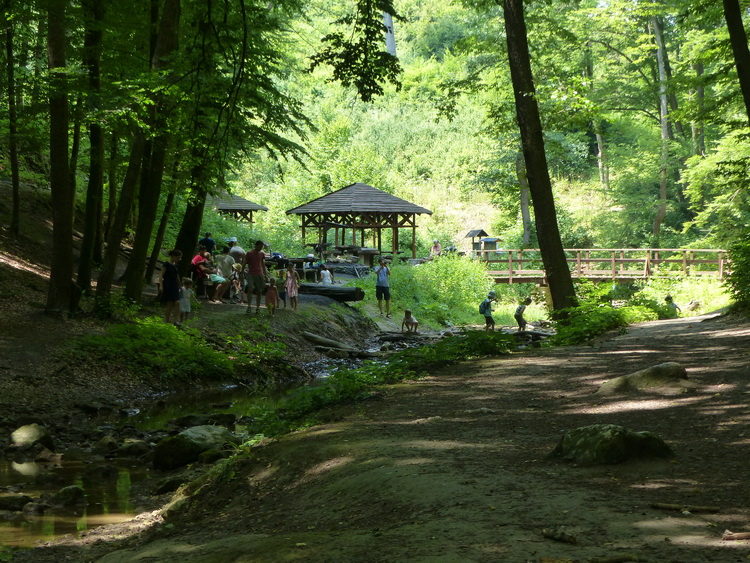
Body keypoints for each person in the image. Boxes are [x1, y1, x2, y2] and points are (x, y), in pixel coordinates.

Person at [243, 240, 268, 314]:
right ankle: (249, 306)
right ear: (256, 245)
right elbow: (244, 262)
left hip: (259, 274)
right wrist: (241, 271)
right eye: (260, 246)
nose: (260, 248)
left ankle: (257, 307)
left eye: (262, 247)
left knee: (259, 291)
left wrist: (265, 274)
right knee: (250, 289)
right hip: (251, 274)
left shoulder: (261, 254)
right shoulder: (249, 253)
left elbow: (263, 264)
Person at [159, 249, 182, 325]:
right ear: (172, 256)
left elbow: (176, 276)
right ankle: (167, 320)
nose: (179, 259)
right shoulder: (166, 264)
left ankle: (176, 320)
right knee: (169, 303)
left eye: (179, 258)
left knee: (177, 302)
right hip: (167, 284)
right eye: (177, 257)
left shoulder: (176, 265)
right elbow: (161, 275)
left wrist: (180, 285)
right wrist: (161, 286)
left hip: (174, 284)